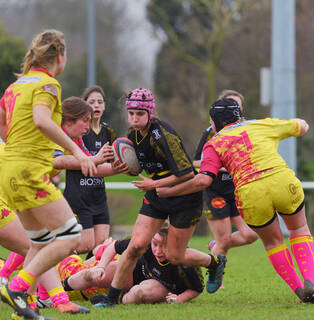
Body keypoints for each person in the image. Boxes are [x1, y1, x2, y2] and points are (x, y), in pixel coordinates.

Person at [156, 97, 314, 303]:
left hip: (250, 193)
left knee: (273, 242)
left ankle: (298, 289)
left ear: (214, 122)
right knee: (298, 229)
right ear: (239, 116)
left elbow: (203, 180)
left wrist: (171, 191)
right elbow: (302, 127)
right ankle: (311, 281)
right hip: (282, 181)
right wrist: (298, 122)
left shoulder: (213, 143)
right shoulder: (261, 124)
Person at [96, 87, 226, 307]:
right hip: (157, 195)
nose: (134, 119)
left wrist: (154, 183)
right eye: (131, 114)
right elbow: (138, 168)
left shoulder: (163, 136)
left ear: (150, 114)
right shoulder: (132, 136)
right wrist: (122, 166)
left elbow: (185, 173)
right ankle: (111, 298)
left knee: (175, 255)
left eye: (140, 114)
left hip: (185, 197)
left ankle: (214, 262)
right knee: (135, 246)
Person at [0, 29, 97, 319]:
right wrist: (77, 152)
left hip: (9, 170)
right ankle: (15, 287)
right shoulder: (48, 85)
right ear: (60, 56)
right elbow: (42, 121)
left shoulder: (14, 87)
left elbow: (4, 126)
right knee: (70, 236)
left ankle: (22, 309)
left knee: (39, 241)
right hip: (30, 171)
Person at [193, 90, 258, 287]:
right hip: (215, 191)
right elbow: (196, 162)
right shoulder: (210, 132)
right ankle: (212, 275)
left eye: (237, 107)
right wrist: (222, 165)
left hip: (238, 191)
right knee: (224, 238)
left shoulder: (247, 131)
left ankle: (216, 249)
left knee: (250, 234)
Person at [59, 223, 204, 305]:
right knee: (93, 274)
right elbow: (114, 247)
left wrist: (179, 299)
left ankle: (117, 300)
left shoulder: (186, 260)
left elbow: (197, 288)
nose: (158, 251)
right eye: (155, 244)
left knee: (141, 291)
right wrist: (101, 267)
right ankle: (53, 291)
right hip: (135, 272)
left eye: (164, 246)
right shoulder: (144, 241)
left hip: (161, 286)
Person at [53, 95, 127, 255]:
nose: (88, 126)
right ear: (69, 121)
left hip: (96, 198)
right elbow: (58, 161)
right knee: (43, 242)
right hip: (30, 184)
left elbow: (92, 166)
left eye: (100, 101)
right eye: (85, 120)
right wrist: (94, 159)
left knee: (99, 243)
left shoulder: (78, 141)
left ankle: (81, 276)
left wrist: (120, 167)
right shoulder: (56, 133)